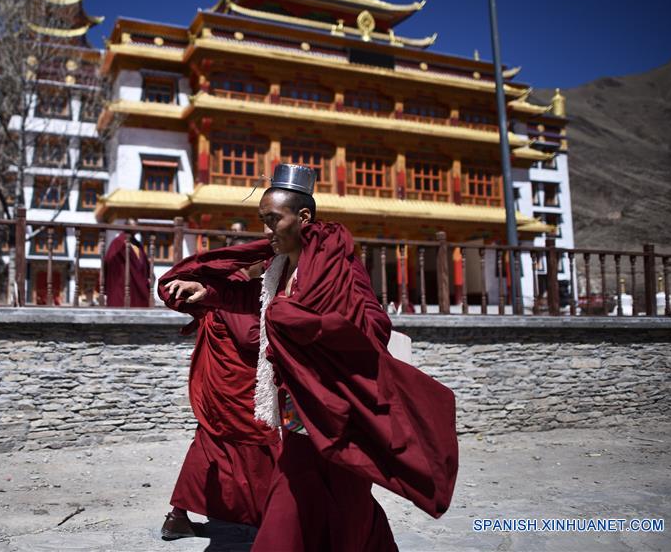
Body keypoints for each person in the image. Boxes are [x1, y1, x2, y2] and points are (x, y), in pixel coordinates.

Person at [161, 164, 459, 551]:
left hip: (336, 404)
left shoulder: (335, 263)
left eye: (273, 220)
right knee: (302, 494)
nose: (266, 231)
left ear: (303, 217)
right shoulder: (278, 266)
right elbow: (260, 304)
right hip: (296, 405)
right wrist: (209, 293)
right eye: (262, 221)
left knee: (343, 497)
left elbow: (373, 324)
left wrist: (304, 325)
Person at [159, 261, 280, 539]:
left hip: (222, 382)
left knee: (209, 445)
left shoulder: (225, 286)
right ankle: (272, 516)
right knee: (261, 444)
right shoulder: (235, 287)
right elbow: (249, 336)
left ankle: (178, 516)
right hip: (236, 385)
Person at [103, 218, 151, 307]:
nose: (136, 229)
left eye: (137, 226)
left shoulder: (137, 244)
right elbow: (109, 261)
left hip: (137, 283)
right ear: (126, 227)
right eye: (133, 226)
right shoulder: (118, 242)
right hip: (121, 283)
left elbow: (143, 264)